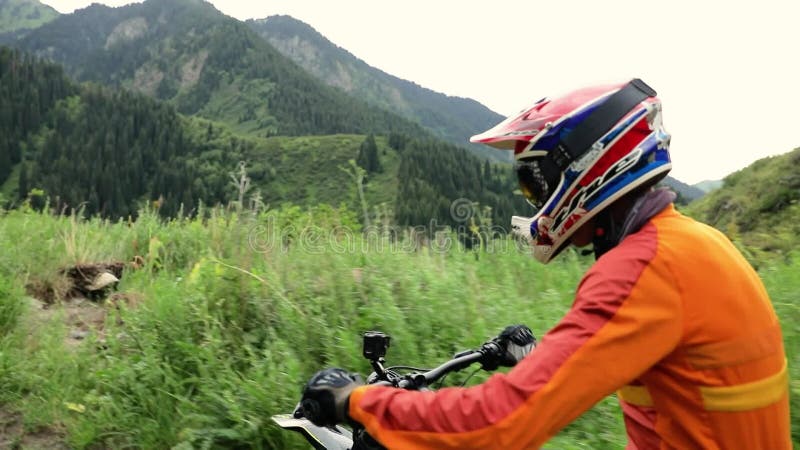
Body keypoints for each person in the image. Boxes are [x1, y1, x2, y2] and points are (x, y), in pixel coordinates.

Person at [300, 79, 791, 449]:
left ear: (588, 169)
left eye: (535, 184)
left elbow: (503, 422)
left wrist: (357, 400)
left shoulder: (644, 268)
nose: (534, 201)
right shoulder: (698, 243)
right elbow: (635, 361)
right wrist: (534, 362)